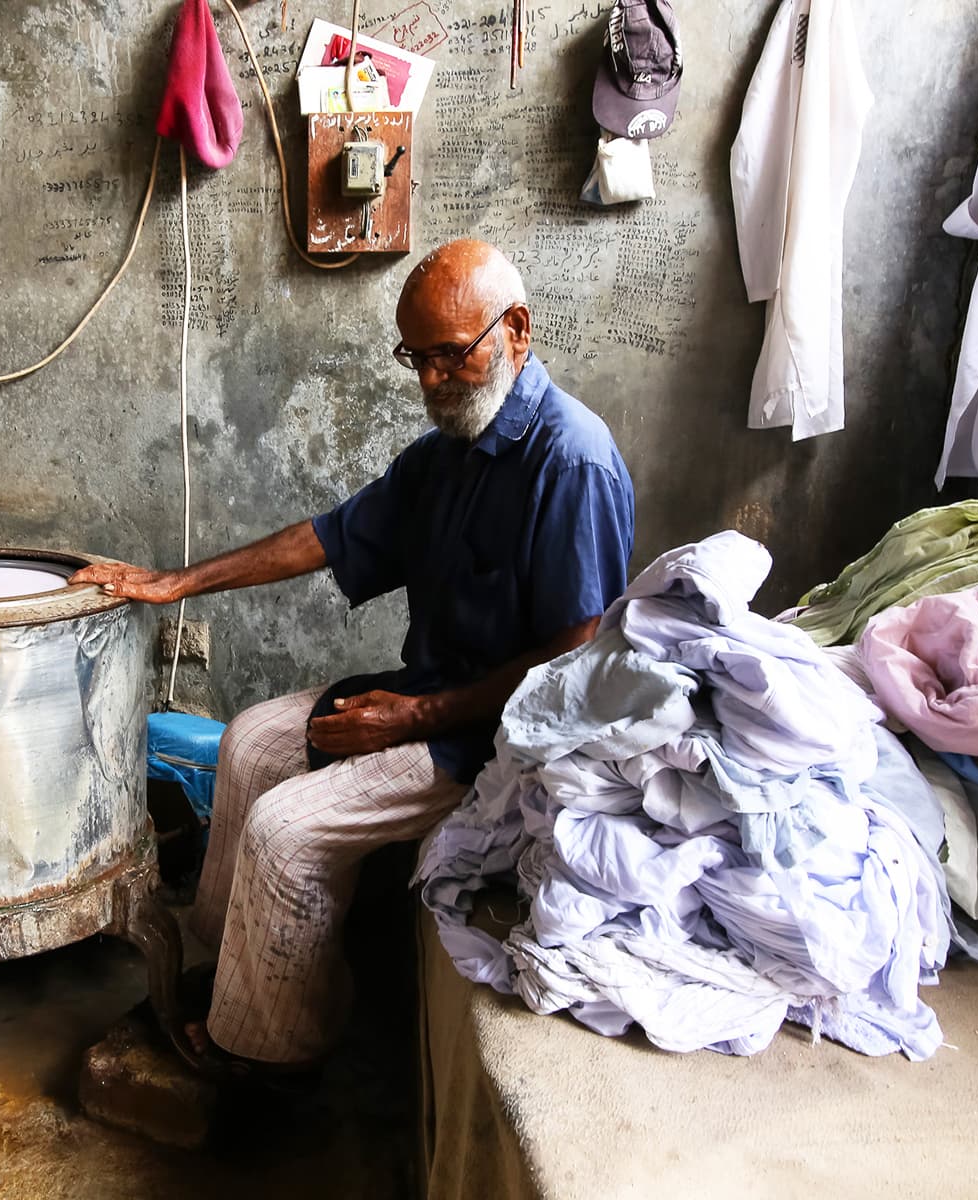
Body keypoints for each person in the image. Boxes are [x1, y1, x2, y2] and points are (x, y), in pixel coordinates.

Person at [72, 238, 635, 1074]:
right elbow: (328, 537)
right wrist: (172, 581)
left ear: (516, 330)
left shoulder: (571, 461)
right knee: (251, 740)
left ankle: (267, 1057)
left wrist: (416, 717)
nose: (432, 382)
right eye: (416, 359)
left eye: (450, 356)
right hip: (428, 697)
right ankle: (222, 977)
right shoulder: (444, 458)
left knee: (286, 830)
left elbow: (575, 658)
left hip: (501, 740)